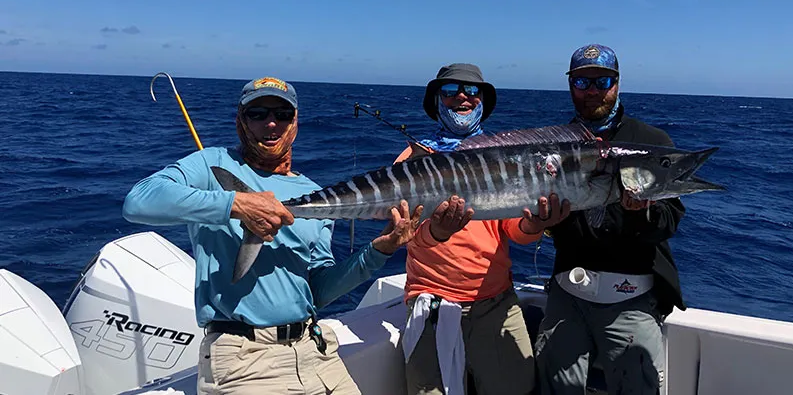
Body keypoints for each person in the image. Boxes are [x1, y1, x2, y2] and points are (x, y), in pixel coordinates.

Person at [123, 76, 424, 395]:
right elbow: (139, 200)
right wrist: (236, 203)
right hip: (245, 361)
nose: (271, 123)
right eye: (258, 114)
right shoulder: (212, 165)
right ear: (240, 120)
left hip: (316, 351)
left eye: (282, 115)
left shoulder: (313, 193)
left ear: (295, 122)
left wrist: (379, 250)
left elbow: (317, 290)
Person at [399, 63, 571, 395]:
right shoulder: (413, 158)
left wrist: (534, 224)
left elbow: (513, 229)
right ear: (437, 101)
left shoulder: (504, 158)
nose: (461, 97)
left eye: (471, 91)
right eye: (450, 92)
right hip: (431, 305)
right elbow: (406, 232)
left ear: (481, 102)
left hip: (496, 305)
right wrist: (436, 232)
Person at [534, 45, 687, 395]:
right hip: (567, 294)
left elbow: (669, 221)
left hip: (631, 298)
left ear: (617, 83)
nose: (592, 92)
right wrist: (542, 221)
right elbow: (543, 222)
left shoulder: (652, 142)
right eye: (581, 82)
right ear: (570, 85)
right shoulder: (554, 145)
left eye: (601, 81)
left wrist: (641, 212)